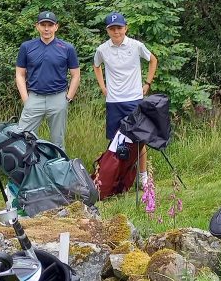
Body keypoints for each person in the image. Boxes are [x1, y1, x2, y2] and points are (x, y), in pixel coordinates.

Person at [93, 12, 158, 186]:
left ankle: (143, 177)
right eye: (112, 29)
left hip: (134, 99)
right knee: (116, 141)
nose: (116, 32)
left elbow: (153, 60)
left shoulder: (136, 46)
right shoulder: (102, 49)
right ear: (107, 30)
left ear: (125, 28)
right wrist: (103, 87)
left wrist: (147, 83)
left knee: (139, 140)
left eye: (119, 28)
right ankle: (117, 178)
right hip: (114, 101)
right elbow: (96, 65)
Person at [14, 11, 81, 151]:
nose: (46, 29)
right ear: (37, 26)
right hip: (34, 98)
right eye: (43, 25)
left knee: (57, 141)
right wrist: (26, 99)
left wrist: (68, 98)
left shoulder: (67, 48)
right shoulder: (27, 47)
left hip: (58, 98)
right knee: (24, 137)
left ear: (56, 27)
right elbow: (20, 74)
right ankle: (29, 164)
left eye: (50, 25)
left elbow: (75, 75)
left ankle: (58, 164)